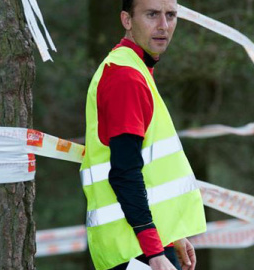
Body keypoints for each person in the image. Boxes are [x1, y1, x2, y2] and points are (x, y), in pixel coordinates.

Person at [80, 0, 206, 269]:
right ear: (127, 20)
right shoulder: (126, 77)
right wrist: (155, 253)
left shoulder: (134, 68)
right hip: (136, 251)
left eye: (171, 15)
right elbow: (125, 173)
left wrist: (172, 237)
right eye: (152, 15)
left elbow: (151, 174)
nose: (163, 26)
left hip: (144, 245)